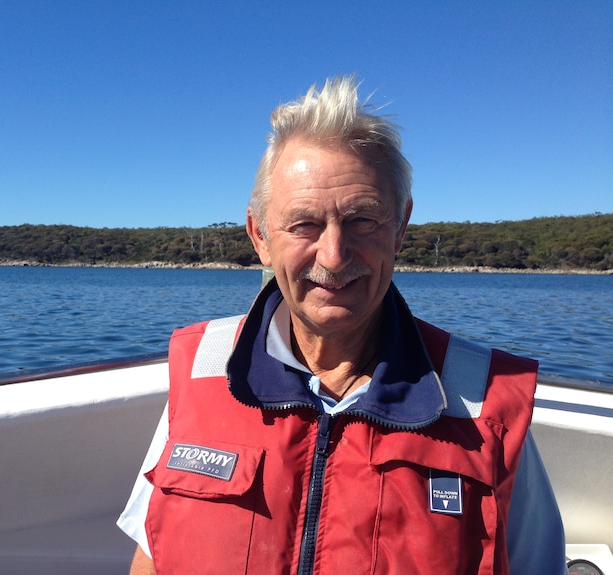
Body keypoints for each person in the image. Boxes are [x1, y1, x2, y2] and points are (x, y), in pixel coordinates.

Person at [117, 75, 566, 574]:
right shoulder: (205, 372)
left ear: (399, 228)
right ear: (260, 236)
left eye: (363, 220)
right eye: (304, 224)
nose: (333, 256)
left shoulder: (485, 403)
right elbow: (153, 554)